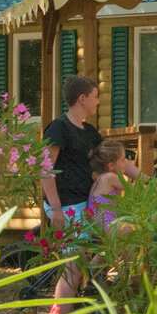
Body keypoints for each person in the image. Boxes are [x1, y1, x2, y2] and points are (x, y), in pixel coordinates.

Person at [42, 74, 103, 300]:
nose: (98, 101)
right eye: (95, 96)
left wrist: (145, 179)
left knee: (112, 241)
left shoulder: (89, 132)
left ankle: (87, 293)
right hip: (66, 205)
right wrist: (56, 208)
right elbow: (45, 168)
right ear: (82, 99)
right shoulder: (59, 127)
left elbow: (113, 158)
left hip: (84, 203)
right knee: (74, 267)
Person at [86, 139, 142, 237]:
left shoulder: (100, 178)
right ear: (111, 165)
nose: (126, 163)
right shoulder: (110, 177)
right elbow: (136, 188)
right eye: (123, 160)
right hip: (108, 226)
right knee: (144, 225)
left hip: (98, 227)